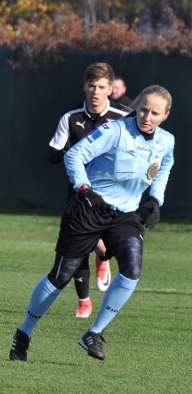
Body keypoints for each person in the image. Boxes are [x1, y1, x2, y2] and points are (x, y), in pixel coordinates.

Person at [10, 85, 174, 362]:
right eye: (143, 109)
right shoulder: (115, 131)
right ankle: (23, 333)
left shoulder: (166, 140)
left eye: (154, 113)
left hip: (124, 215)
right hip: (88, 208)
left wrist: (156, 201)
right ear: (137, 106)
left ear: (165, 116)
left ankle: (94, 333)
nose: (147, 116)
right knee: (62, 276)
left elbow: (164, 167)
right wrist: (85, 189)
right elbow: (74, 155)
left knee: (132, 269)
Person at [47, 63, 130, 318]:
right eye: (91, 85)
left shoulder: (123, 118)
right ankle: (84, 301)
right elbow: (53, 154)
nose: (95, 91)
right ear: (85, 86)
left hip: (111, 194)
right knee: (76, 246)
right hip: (79, 193)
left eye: (101, 87)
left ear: (110, 89)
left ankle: (104, 258)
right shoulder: (71, 118)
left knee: (107, 248)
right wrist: (73, 152)